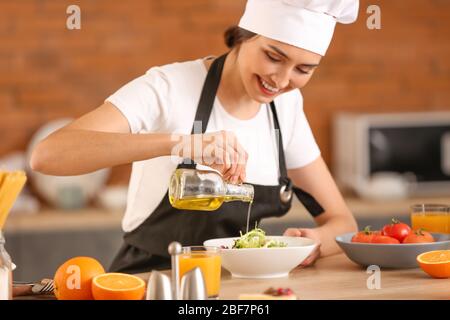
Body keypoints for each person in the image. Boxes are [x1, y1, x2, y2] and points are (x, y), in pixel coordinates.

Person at [30, 0, 360, 273]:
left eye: (304, 70)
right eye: (274, 57)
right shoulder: (168, 87)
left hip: (240, 290)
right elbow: (48, 155)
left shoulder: (285, 108)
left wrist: (313, 242)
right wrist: (181, 143)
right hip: (153, 282)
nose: (282, 80)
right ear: (243, 36)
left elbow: (342, 223)